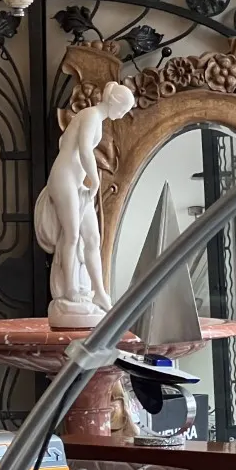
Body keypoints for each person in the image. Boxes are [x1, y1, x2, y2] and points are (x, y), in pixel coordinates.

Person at [35, 81, 136, 328]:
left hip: (79, 183)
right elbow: (84, 151)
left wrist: (88, 181)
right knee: (70, 236)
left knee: (92, 238)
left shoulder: (94, 119)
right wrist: (93, 179)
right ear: (114, 103)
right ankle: (69, 290)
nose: (122, 115)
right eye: (123, 110)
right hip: (65, 179)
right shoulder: (90, 115)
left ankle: (99, 292)